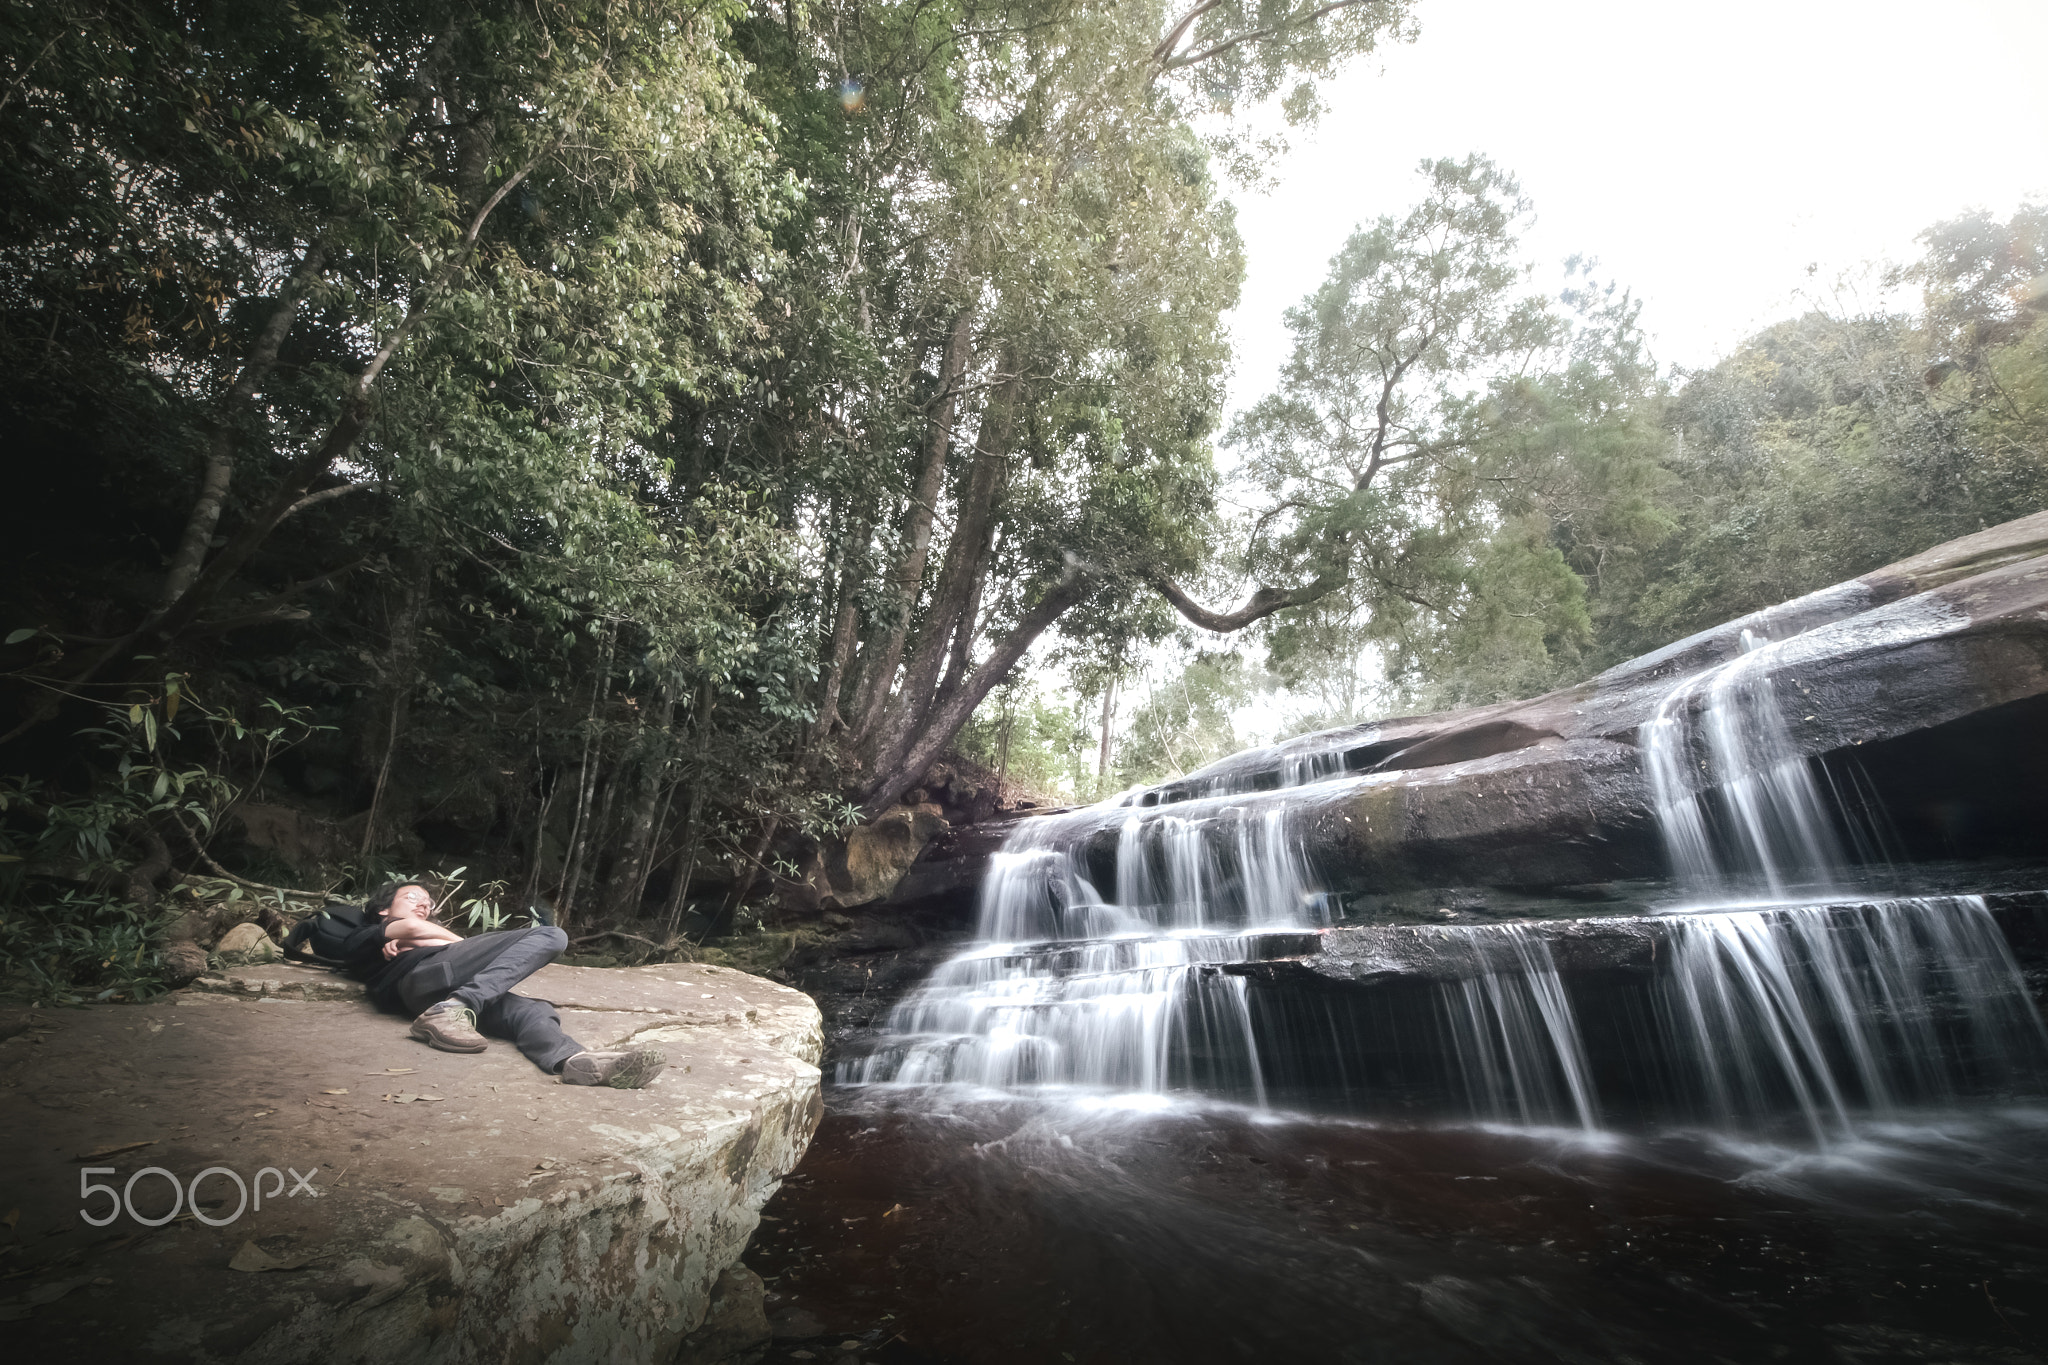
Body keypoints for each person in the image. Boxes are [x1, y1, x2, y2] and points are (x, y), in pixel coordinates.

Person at [340, 881, 664, 1088]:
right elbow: (411, 928)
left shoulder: (426, 936)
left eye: (429, 902)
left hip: (439, 994)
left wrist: (437, 936)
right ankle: (456, 1008)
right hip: (424, 980)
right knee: (551, 935)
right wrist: (431, 935)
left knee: (534, 1010)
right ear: (383, 908)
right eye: (413, 897)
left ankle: (574, 1061)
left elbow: (434, 935)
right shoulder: (368, 933)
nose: (424, 904)